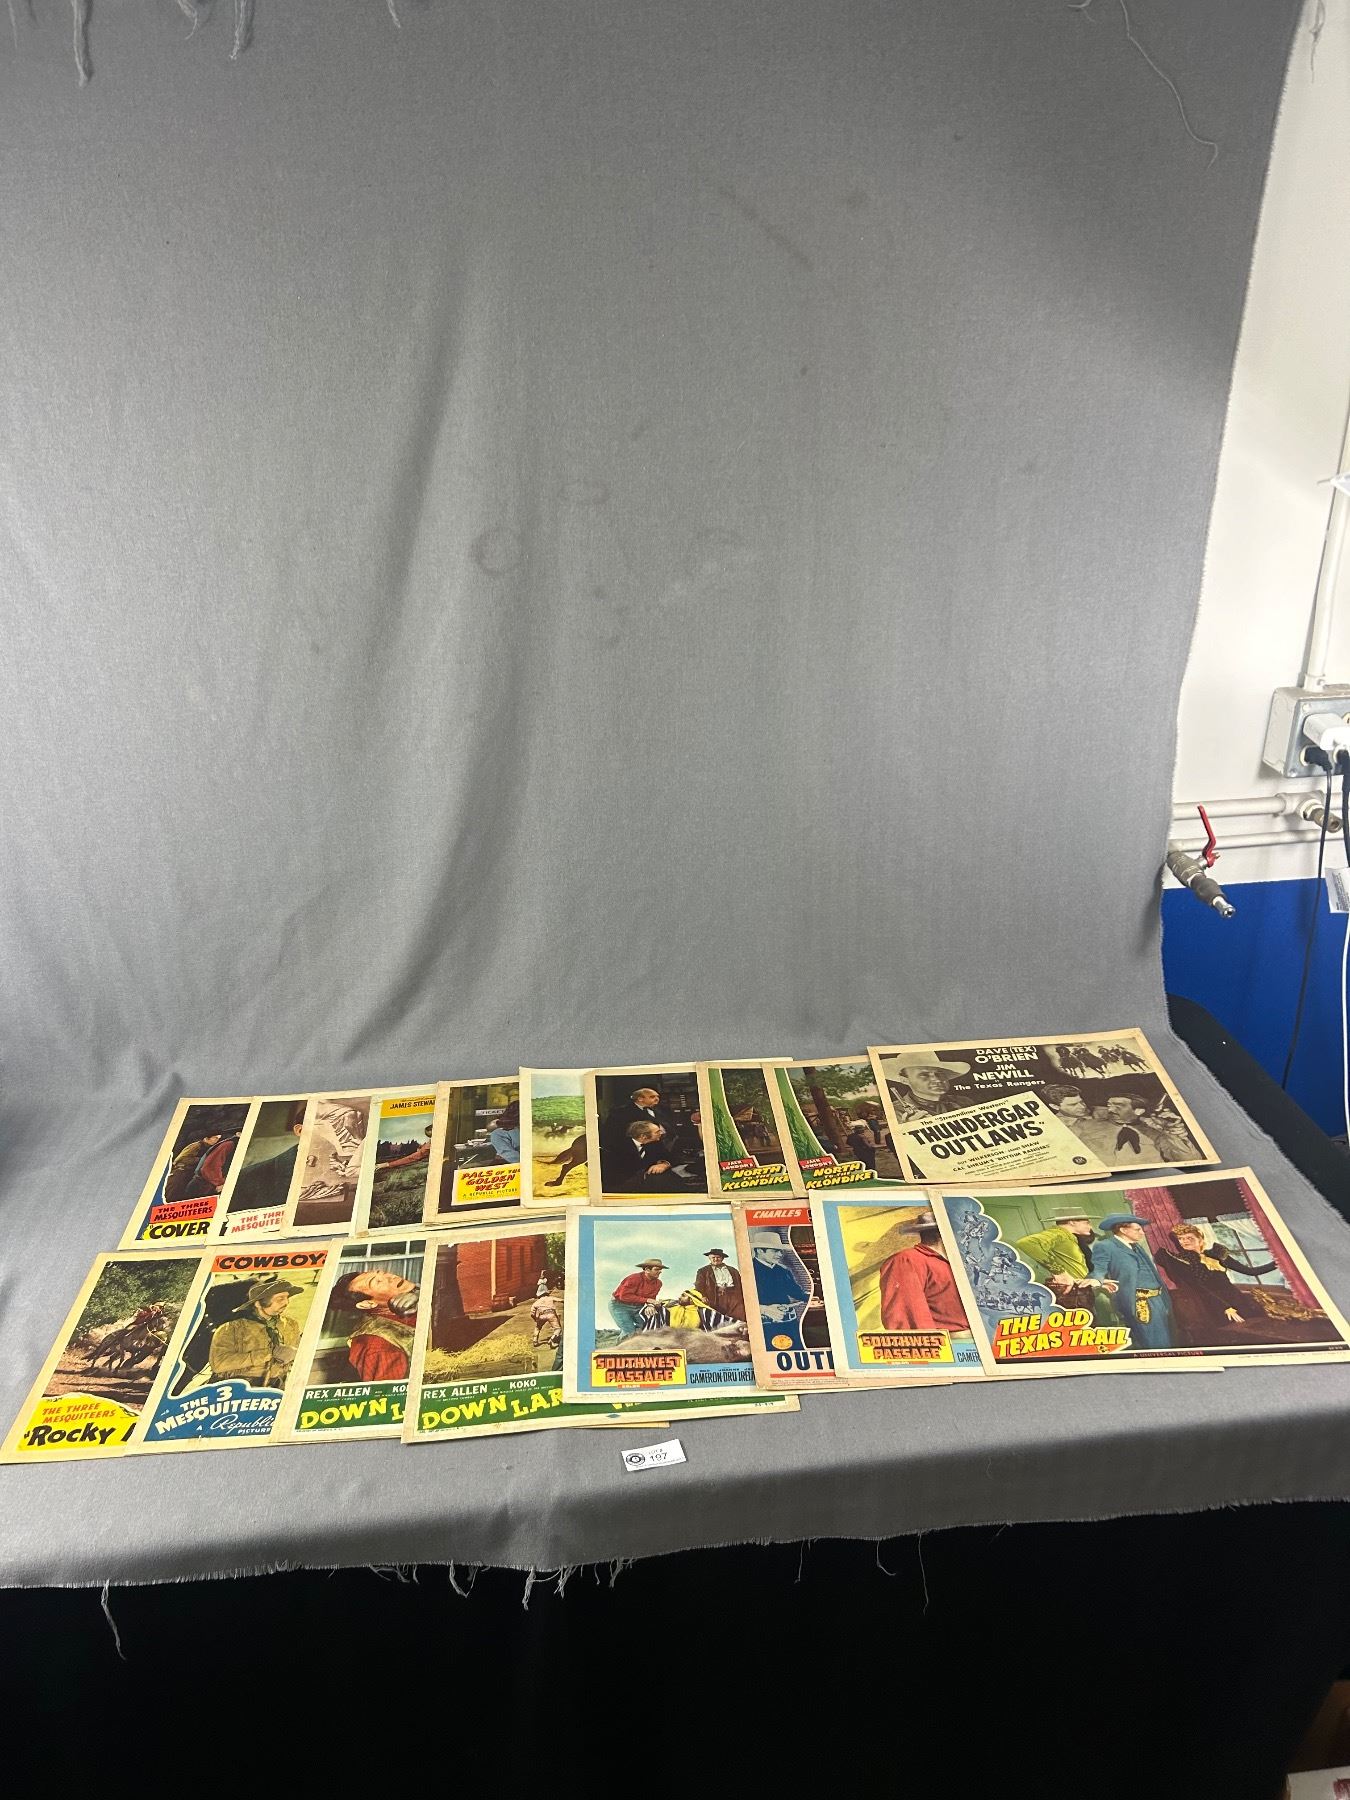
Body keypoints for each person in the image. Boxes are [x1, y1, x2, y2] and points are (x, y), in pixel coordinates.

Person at [1155, 1221, 1277, 1344]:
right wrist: (1225, 1307)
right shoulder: (1182, 1261)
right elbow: (1199, 1288)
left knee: (1258, 1333)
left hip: (1236, 1298)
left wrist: (1277, 1262)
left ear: (1200, 1239)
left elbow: (1251, 1271)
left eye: (1189, 1238)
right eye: (1181, 1238)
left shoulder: (1217, 1254)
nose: (1184, 1241)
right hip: (1213, 1304)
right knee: (1235, 1336)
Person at [1013, 1210, 1119, 1324]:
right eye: (1086, 1222)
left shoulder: (1069, 1238)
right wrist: (1059, 1272)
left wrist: (1098, 1281)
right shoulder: (1059, 1234)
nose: (1090, 1226)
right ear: (1072, 1222)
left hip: (1079, 1292)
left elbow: (1074, 1267)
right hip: (1071, 1295)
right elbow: (1026, 1243)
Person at [1090, 1213, 1173, 1349]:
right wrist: (1097, 1280)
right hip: (1139, 1302)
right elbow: (1098, 1268)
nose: (1142, 1233)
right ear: (1123, 1230)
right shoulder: (1106, 1246)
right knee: (1154, 1344)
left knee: (1166, 1341)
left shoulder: (1136, 1246)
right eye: (1137, 1229)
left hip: (1158, 1300)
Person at [878, 1211, 968, 1333]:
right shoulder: (907, 1260)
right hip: (944, 1342)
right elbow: (906, 1318)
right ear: (942, 1233)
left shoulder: (956, 1263)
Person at [208, 1277, 305, 1389]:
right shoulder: (231, 1329)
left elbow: (298, 1353)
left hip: (278, 1386)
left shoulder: (290, 1325)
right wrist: (268, 1354)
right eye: (280, 1299)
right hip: (239, 1388)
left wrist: (295, 1353)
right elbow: (219, 1364)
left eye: (287, 1297)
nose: (286, 1303)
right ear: (258, 1304)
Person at [328, 1265, 420, 1381]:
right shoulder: (376, 1346)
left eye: (382, 1272)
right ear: (367, 1304)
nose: (390, 1276)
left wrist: (420, 1295)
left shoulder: (414, 1298)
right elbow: (387, 1391)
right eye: (378, 1282)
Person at [751, 1242, 812, 1349]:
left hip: (789, 1323)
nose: (780, 1254)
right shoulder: (748, 1270)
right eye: (775, 1250)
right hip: (764, 1326)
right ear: (760, 1250)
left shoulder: (783, 1270)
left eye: (780, 1251)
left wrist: (811, 1297)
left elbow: (796, 1292)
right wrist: (763, 1309)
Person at [884, 1054, 969, 1124]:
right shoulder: (893, 1112)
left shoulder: (964, 1102)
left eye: (939, 1073)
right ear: (905, 1080)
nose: (937, 1080)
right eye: (924, 1075)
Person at [164, 1129, 240, 1202]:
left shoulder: (209, 1147)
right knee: (172, 1195)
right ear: (206, 1138)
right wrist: (201, 1159)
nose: (217, 1140)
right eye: (215, 1138)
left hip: (189, 1174)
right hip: (180, 1173)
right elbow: (180, 1159)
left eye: (218, 1138)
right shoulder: (196, 1146)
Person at [601, 1085, 678, 1148]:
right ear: (640, 1099)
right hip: (640, 1149)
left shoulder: (662, 1110)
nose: (657, 1099)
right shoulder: (621, 1112)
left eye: (657, 1096)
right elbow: (613, 1134)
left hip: (667, 1145)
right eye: (652, 1097)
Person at [610, 1259, 667, 1335]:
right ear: (647, 1270)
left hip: (638, 1307)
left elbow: (652, 1298)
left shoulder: (658, 1283)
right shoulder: (633, 1278)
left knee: (646, 1327)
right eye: (657, 1269)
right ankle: (624, 1342)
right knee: (629, 1331)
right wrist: (648, 1300)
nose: (660, 1271)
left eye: (660, 1269)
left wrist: (650, 1305)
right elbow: (624, 1296)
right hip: (620, 1306)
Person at [694, 1248, 746, 1322]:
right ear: (709, 1258)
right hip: (715, 1297)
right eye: (713, 1257)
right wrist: (703, 1296)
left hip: (734, 1296)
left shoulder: (733, 1270)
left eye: (718, 1257)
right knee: (720, 1318)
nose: (716, 1259)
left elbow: (740, 1284)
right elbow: (699, 1286)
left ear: (722, 1258)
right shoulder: (703, 1271)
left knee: (739, 1315)